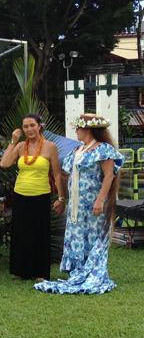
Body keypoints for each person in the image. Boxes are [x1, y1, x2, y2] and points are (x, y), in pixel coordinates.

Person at [35, 114, 124, 294]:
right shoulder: (78, 150)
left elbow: (109, 175)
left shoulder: (103, 149)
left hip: (94, 202)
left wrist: (100, 199)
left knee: (95, 236)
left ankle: (92, 271)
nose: (75, 131)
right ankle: (80, 270)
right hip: (77, 204)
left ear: (88, 129)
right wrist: (62, 199)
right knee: (78, 236)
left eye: (78, 128)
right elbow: (69, 176)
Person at [0, 113, 63, 281]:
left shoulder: (50, 147)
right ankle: (23, 271)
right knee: (22, 234)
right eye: (26, 127)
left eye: (32, 125)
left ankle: (40, 273)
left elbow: (57, 174)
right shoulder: (20, 146)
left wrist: (61, 198)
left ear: (39, 126)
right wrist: (13, 142)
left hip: (41, 194)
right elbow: (4, 163)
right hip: (21, 194)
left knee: (39, 234)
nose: (29, 129)